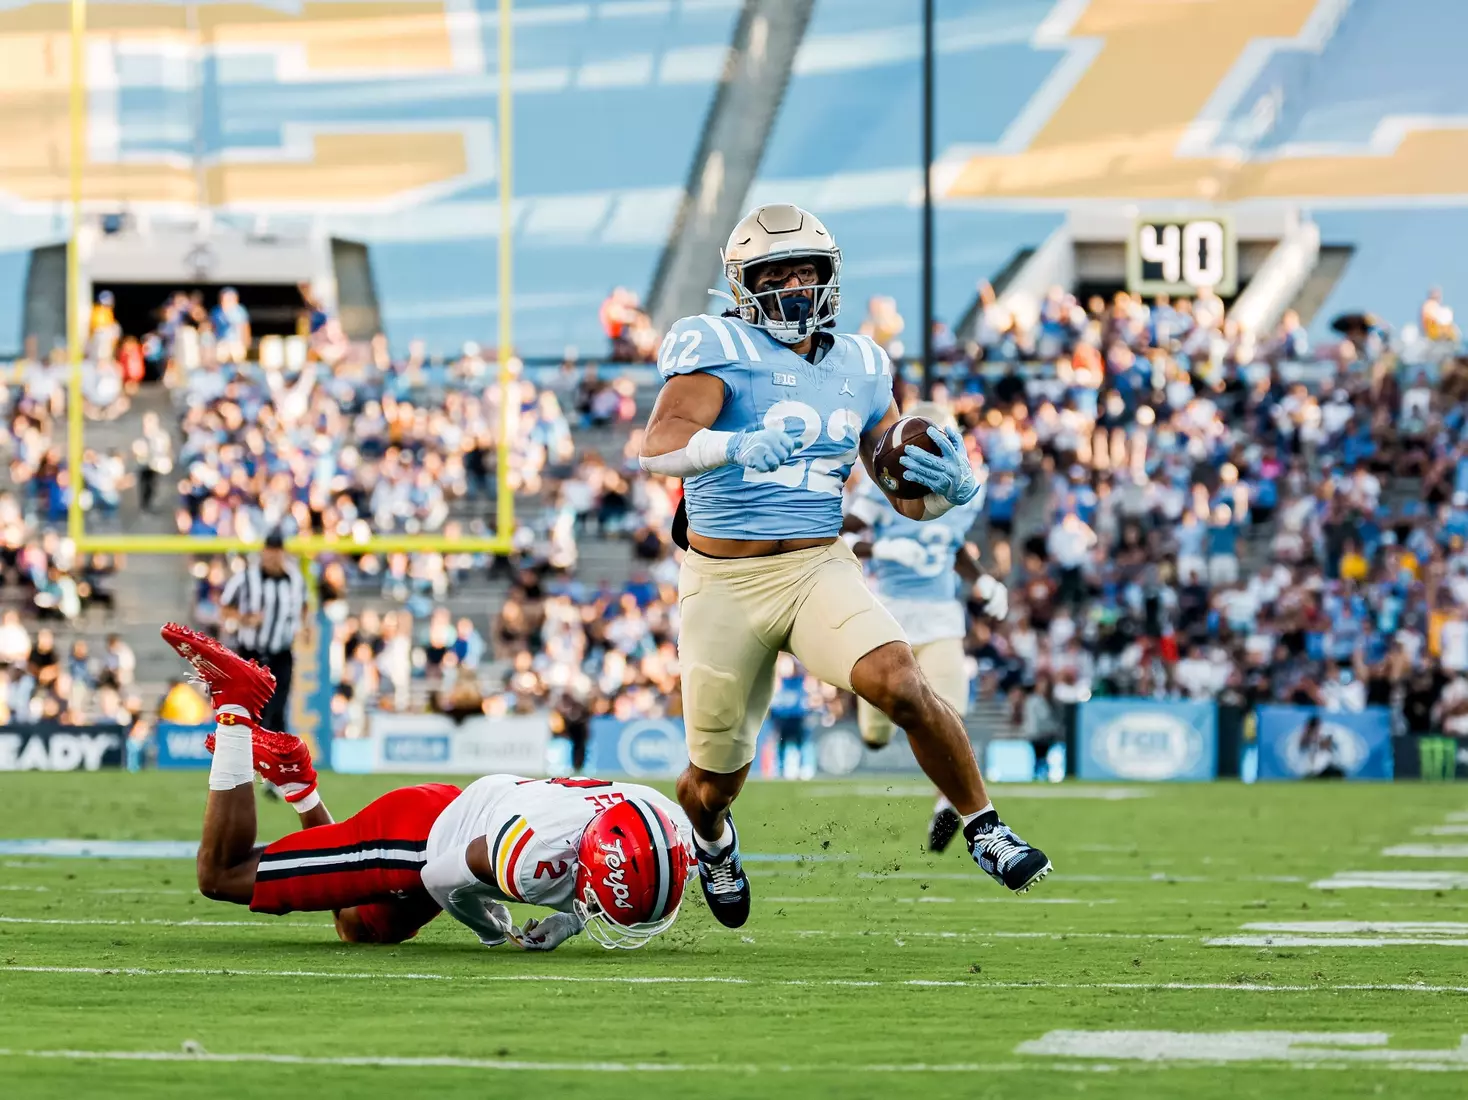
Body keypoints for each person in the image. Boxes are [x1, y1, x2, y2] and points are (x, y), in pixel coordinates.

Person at [638, 203, 1051, 930]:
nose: (795, 286)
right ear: (744, 284)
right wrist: (726, 448)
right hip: (723, 586)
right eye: (777, 273)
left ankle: (983, 826)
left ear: (830, 278)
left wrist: (950, 492)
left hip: (815, 569)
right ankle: (711, 840)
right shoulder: (718, 346)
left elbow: (900, 491)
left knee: (901, 681)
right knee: (713, 782)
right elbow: (657, 444)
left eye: (806, 270)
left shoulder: (862, 365)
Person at [163, 623, 692, 951]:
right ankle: (236, 705)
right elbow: (441, 878)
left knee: (360, 929)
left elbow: (706, 831)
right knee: (220, 874)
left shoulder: (652, 813)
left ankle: (299, 785)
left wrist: (567, 922)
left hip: (460, 815)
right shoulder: (535, 857)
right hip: (414, 843)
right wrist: (490, 928)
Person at [843, 410, 1009, 851]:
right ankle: (877, 728)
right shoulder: (885, 489)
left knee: (948, 714)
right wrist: (886, 547)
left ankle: (947, 804)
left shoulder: (962, 491)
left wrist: (983, 580)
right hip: (888, 617)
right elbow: (839, 533)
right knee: (876, 735)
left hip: (940, 616)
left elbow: (950, 546)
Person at [220, 530, 305, 730]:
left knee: (278, 710)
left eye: (277, 551)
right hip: (252, 655)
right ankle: (252, 758)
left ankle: (275, 759)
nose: (273, 556)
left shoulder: (295, 579)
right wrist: (245, 619)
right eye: (269, 550)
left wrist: (302, 627)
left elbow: (304, 605)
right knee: (253, 711)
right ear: (263, 551)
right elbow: (224, 608)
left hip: (282, 653)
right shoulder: (246, 578)